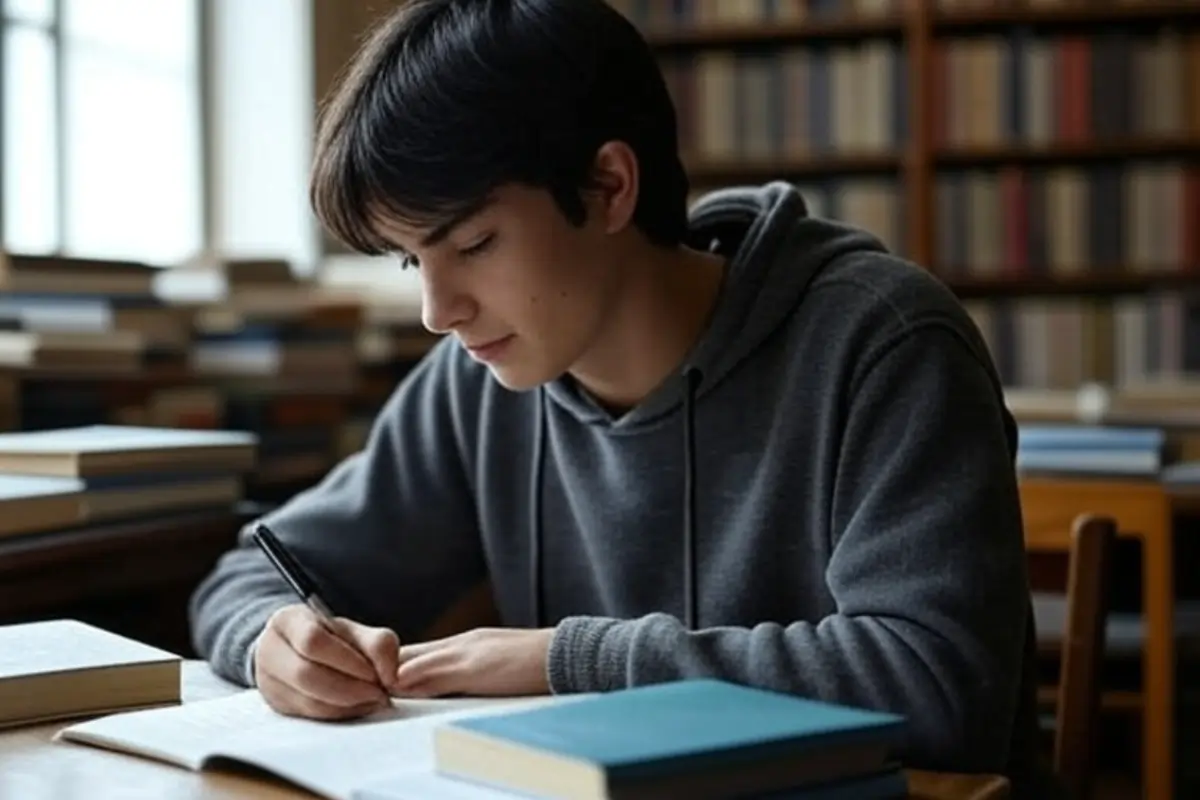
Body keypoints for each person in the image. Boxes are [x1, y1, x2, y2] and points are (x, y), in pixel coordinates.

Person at [189, 0, 1053, 793]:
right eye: (414, 260)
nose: (435, 312)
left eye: (475, 242)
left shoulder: (883, 343)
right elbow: (250, 576)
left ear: (608, 186)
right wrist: (275, 645)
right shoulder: (480, 380)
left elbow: (941, 688)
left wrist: (573, 660)